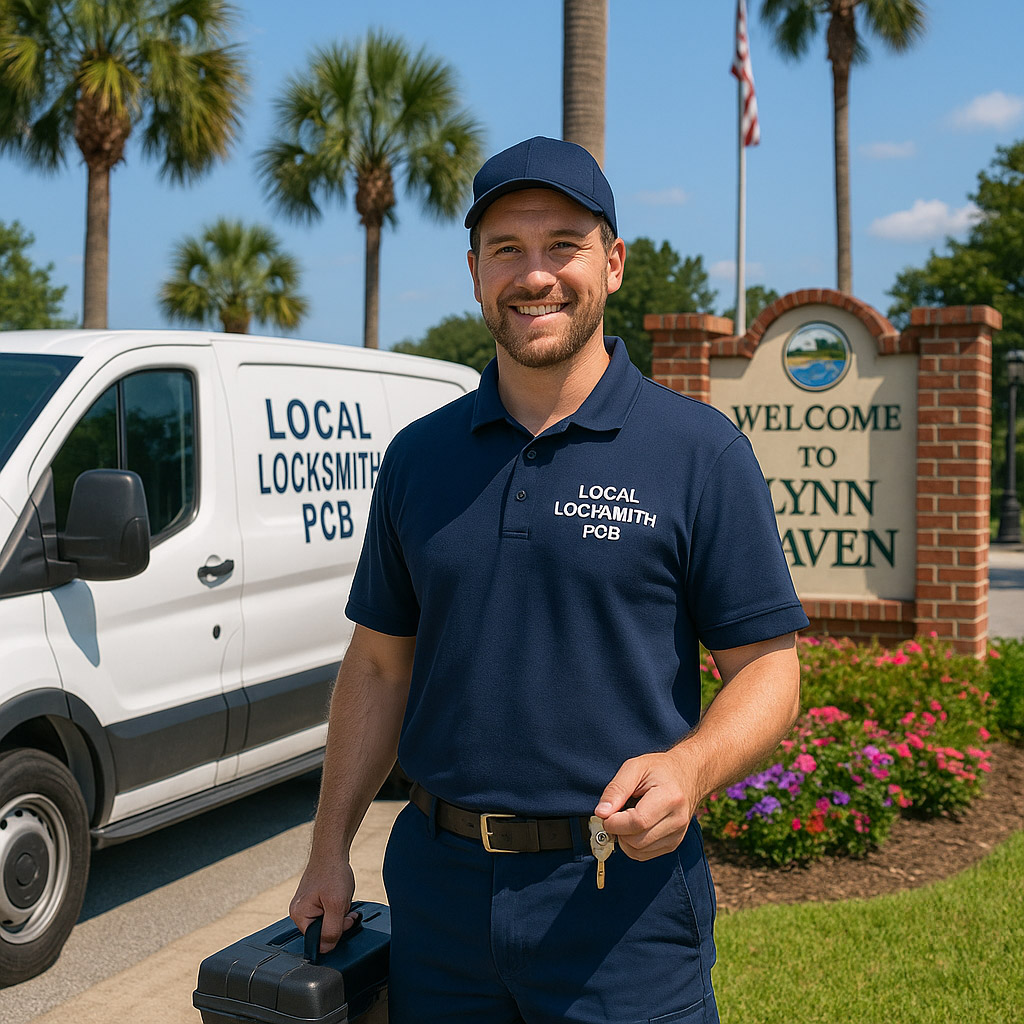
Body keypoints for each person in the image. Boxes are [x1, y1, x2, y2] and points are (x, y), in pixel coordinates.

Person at [290, 136, 809, 1023]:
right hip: (439, 895)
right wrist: (327, 847)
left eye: (563, 245)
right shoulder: (418, 460)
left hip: (623, 898)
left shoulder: (698, 453)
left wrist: (691, 766)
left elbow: (769, 669)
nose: (536, 275)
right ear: (475, 272)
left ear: (611, 263)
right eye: (507, 250)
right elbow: (378, 665)